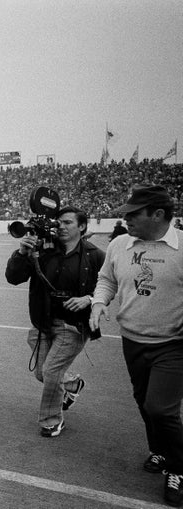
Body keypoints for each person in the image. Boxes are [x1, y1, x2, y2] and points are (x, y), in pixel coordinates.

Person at [89, 184, 183, 506]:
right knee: (144, 402)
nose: (125, 218)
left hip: (173, 344)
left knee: (160, 407)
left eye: (133, 214)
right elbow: (107, 279)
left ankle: (179, 467)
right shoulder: (119, 244)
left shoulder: (182, 246)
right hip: (133, 340)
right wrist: (99, 303)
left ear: (158, 214)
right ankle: (160, 450)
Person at [6, 205, 105, 437]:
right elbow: (13, 278)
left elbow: (111, 285)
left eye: (68, 223)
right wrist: (21, 253)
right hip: (43, 323)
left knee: (51, 371)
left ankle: (51, 420)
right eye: (59, 222)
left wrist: (89, 299)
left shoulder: (94, 255)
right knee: (43, 373)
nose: (61, 226)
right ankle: (72, 384)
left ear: (81, 226)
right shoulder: (43, 250)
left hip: (73, 325)